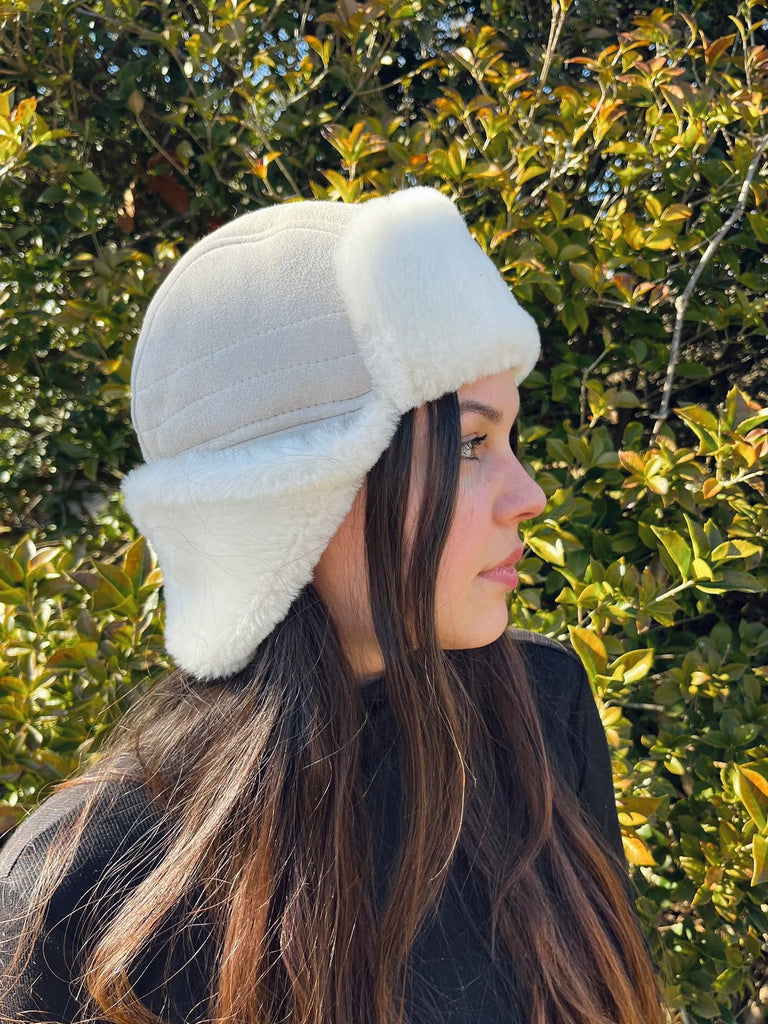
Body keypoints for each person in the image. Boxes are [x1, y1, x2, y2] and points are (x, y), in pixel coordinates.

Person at [0, 187, 665, 1024]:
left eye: (511, 439)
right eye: (469, 442)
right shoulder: (79, 887)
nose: (528, 494)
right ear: (293, 492)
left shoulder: (540, 711)